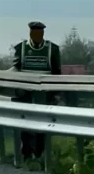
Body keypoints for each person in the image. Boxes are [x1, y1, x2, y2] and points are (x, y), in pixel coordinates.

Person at [13, 21, 61, 160]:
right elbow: (16, 68)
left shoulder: (52, 49)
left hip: (44, 94)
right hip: (25, 93)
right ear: (30, 33)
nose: (37, 35)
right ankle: (26, 153)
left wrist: (56, 94)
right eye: (34, 32)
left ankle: (39, 153)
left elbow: (57, 73)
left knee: (41, 125)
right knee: (25, 122)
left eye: (39, 33)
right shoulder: (21, 48)